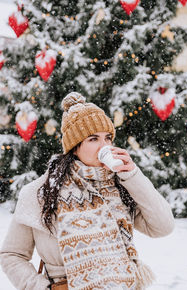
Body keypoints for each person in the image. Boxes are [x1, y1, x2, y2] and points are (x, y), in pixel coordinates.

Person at [0, 92, 175, 290]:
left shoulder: (120, 186)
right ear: (74, 147)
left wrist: (133, 175)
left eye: (108, 138)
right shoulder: (41, 192)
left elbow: (163, 226)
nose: (105, 146)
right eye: (93, 139)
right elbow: (12, 255)